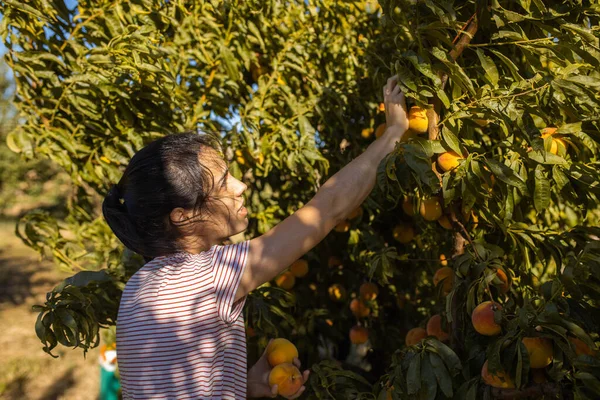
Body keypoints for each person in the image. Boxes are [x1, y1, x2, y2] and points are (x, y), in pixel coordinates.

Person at [102, 76, 408, 399]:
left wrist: (245, 385)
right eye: (222, 183)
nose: (240, 186)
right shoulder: (211, 275)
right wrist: (392, 134)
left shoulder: (135, 290)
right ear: (182, 215)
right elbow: (326, 210)